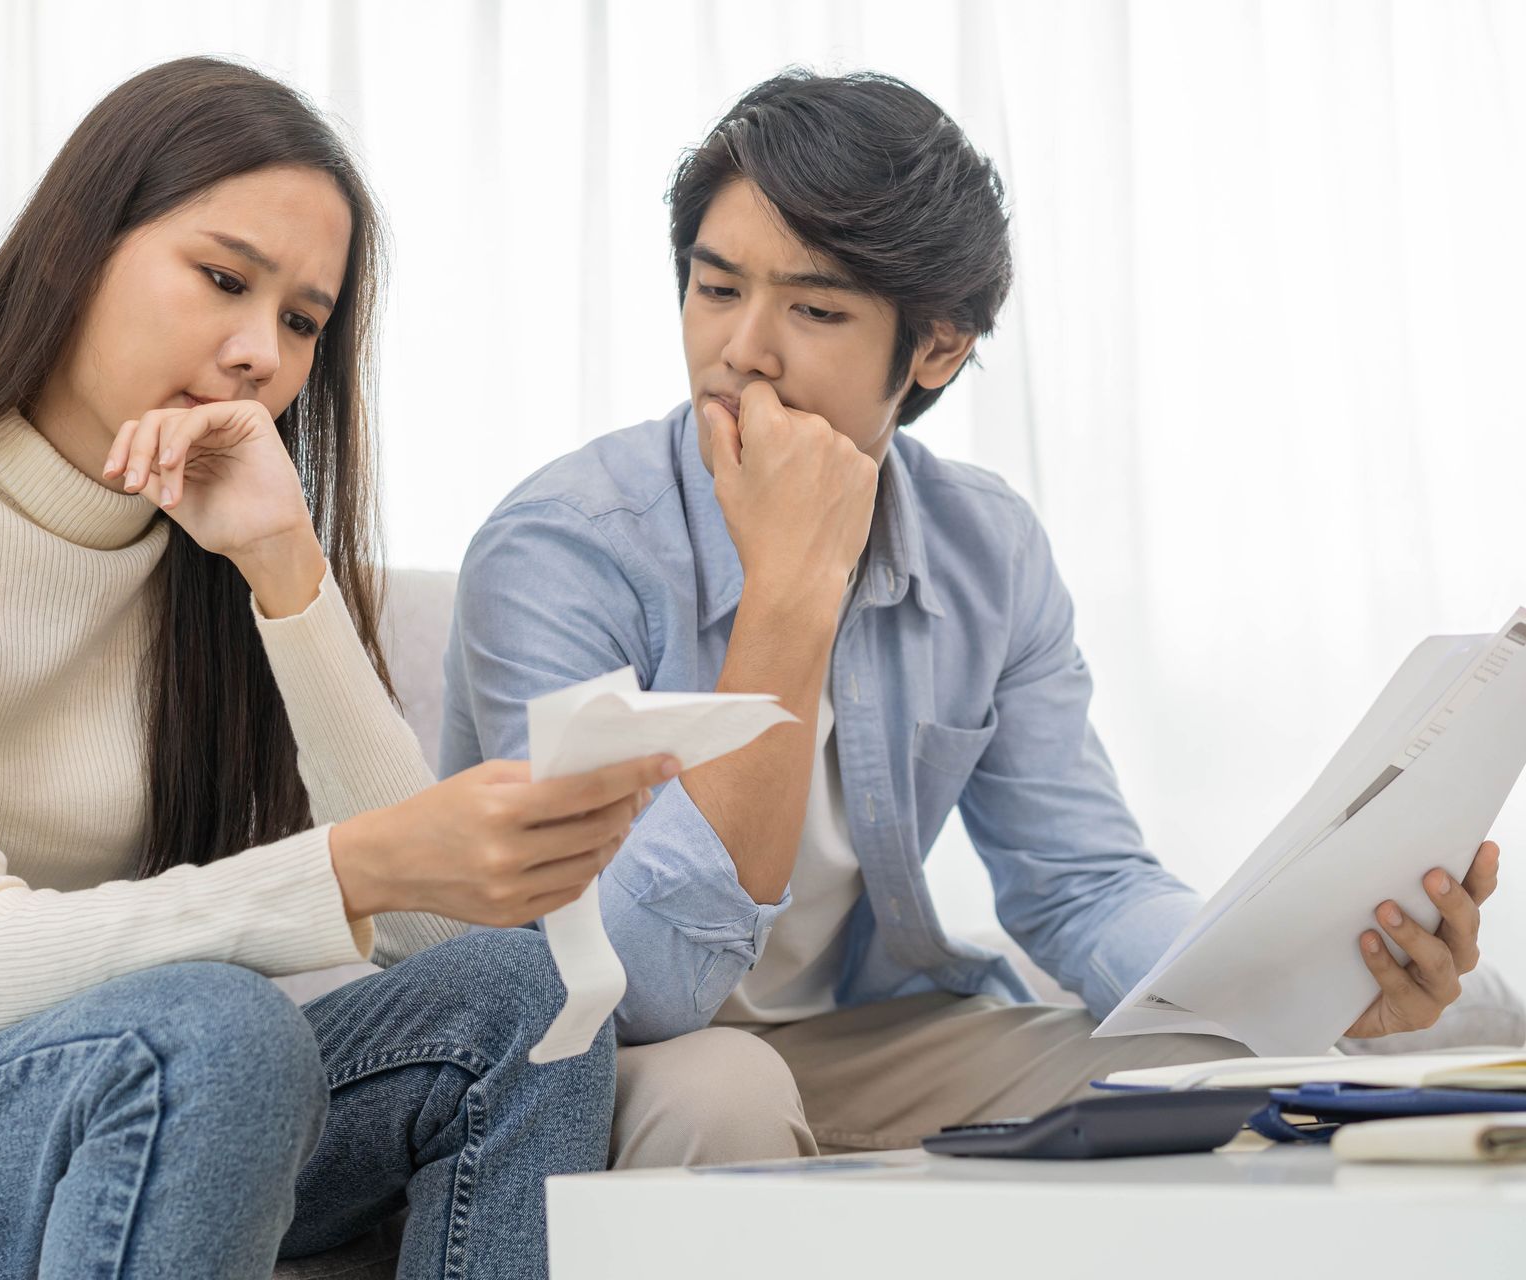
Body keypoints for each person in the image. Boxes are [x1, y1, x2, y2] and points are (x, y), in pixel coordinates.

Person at [0, 56, 674, 1279]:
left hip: (85, 1094)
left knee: (527, 999)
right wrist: (353, 865)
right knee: (214, 1035)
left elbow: (438, 937)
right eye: (224, 278)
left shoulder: (207, 556)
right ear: (78, 247)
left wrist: (284, 565)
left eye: (301, 322)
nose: (258, 353)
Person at [441, 70, 1503, 1169]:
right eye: (717, 290)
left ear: (936, 348)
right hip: (592, 1043)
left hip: (868, 1035)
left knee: (1237, 1073)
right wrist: (789, 595)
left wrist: (1299, 985)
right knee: (725, 1087)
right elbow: (632, 979)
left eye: (813, 308)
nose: (744, 349)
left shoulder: (985, 547)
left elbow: (1082, 885)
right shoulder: (564, 545)